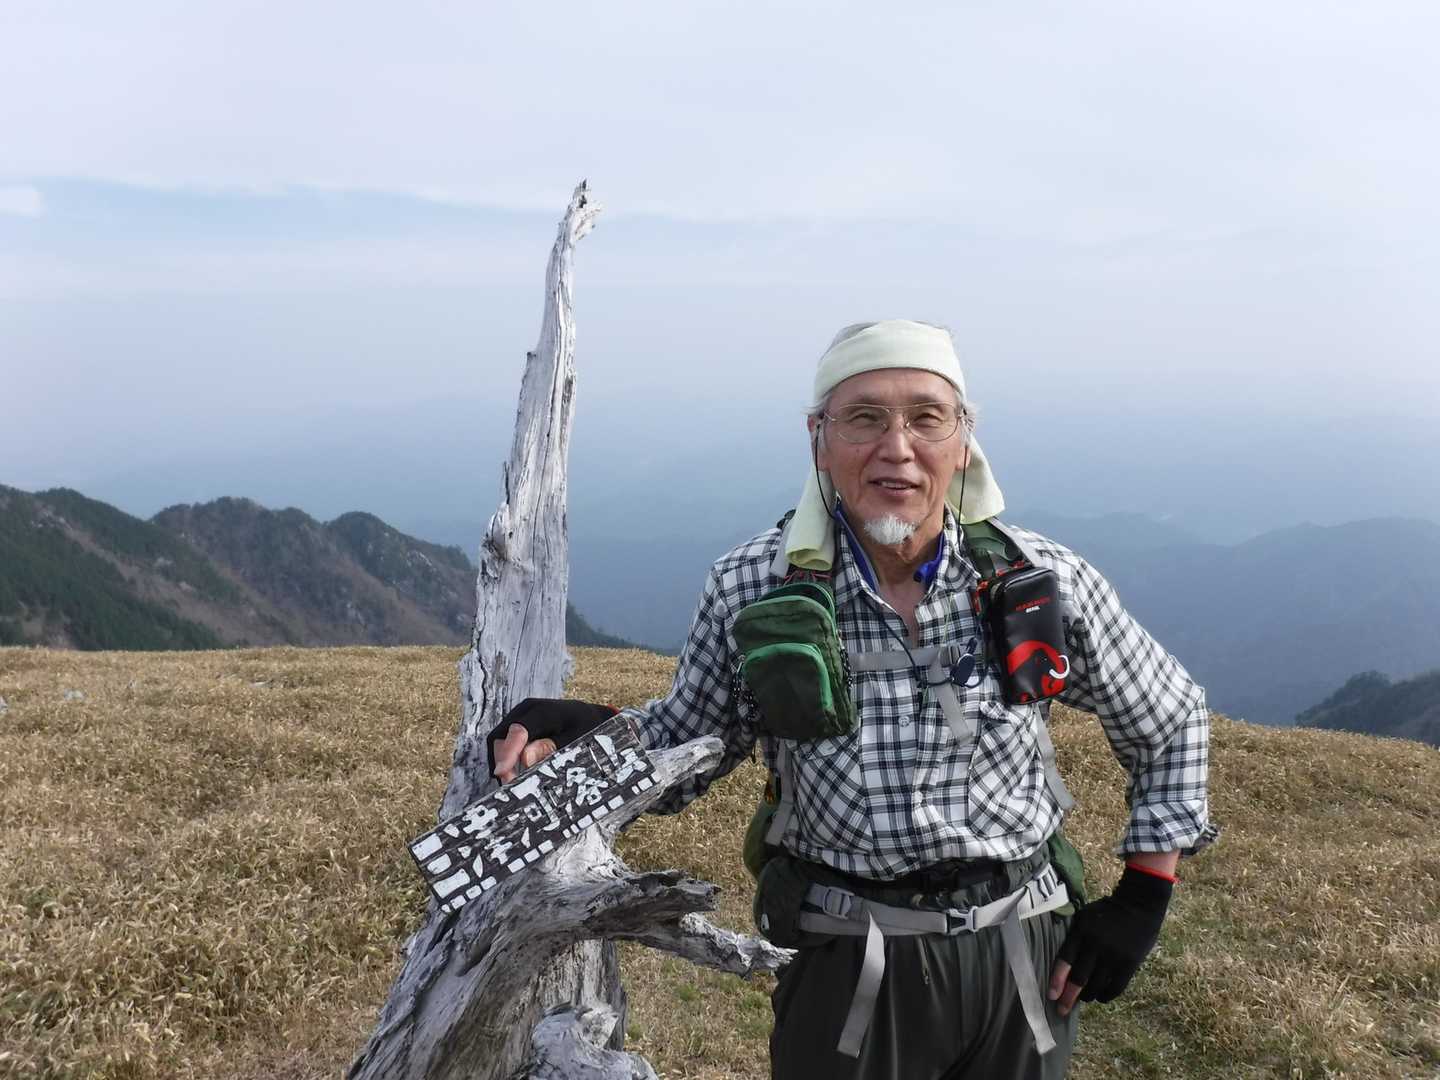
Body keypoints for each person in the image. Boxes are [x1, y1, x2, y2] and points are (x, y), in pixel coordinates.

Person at [492, 319, 1217, 1080]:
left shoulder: (1036, 581)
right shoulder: (756, 587)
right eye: (865, 418)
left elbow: (1170, 716)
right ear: (819, 439)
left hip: (1023, 955)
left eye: (927, 418)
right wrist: (574, 732)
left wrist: (1143, 896)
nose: (897, 447)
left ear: (963, 441)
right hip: (848, 961)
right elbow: (686, 743)